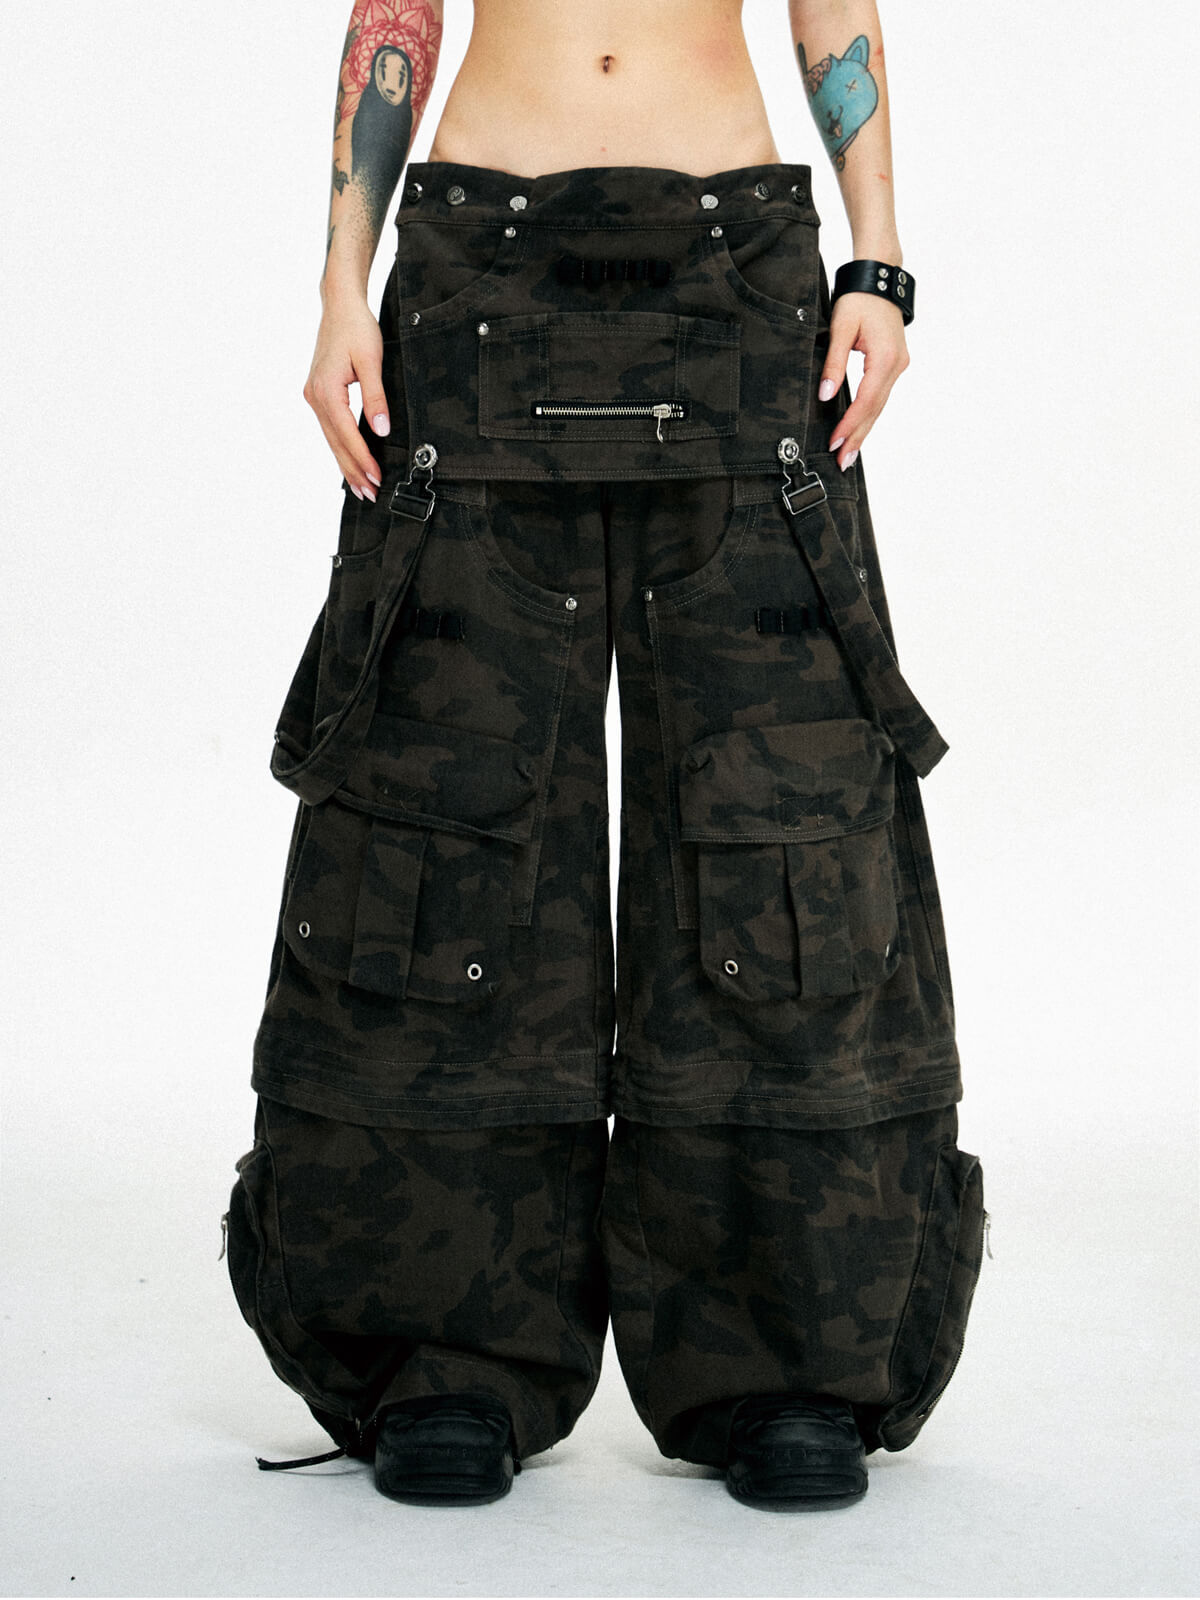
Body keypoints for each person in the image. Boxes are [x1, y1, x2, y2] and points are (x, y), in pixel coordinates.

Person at [223, 0, 987, 1511]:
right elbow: (396, 11)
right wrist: (341, 285)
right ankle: (443, 1348)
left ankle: (790, 1356)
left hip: (734, 266)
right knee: (445, 785)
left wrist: (878, 259)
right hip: (477, 266)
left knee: (775, 796)